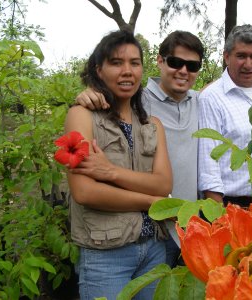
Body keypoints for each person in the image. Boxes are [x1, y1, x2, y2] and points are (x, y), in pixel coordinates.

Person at [76, 30, 205, 268]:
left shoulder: (200, 101)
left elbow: (163, 183)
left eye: (192, 65)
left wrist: (248, 76)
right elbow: (84, 190)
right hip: (147, 230)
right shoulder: (138, 100)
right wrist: (88, 93)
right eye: (176, 62)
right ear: (159, 61)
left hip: (185, 224)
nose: (184, 71)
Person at [65, 30, 172, 300]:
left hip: (154, 250)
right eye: (116, 62)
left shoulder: (152, 125)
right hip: (105, 253)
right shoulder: (82, 116)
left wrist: (110, 172)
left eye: (134, 63)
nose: (127, 71)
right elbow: (85, 193)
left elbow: (164, 184)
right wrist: (152, 202)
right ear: (99, 70)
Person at [197, 24, 252, 212]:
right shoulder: (212, 97)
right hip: (230, 207)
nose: (248, 64)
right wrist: (219, 216)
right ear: (226, 56)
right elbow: (209, 164)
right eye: (241, 56)